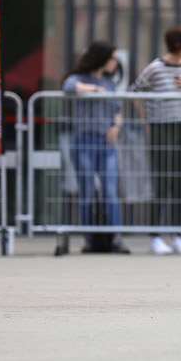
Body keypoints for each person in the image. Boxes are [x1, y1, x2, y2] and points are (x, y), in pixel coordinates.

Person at [131, 26, 181, 255]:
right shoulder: (155, 67)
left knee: (179, 182)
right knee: (160, 182)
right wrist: (145, 120)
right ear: (180, 46)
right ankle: (156, 236)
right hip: (160, 127)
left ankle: (178, 235)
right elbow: (136, 91)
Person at [62, 41, 130, 254]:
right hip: (84, 141)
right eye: (111, 58)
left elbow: (117, 110)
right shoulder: (79, 78)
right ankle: (90, 238)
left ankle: (116, 237)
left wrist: (116, 126)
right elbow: (69, 87)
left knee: (110, 190)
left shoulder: (110, 83)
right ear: (101, 59)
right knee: (87, 191)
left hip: (106, 142)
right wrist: (93, 88)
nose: (114, 63)